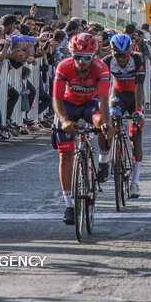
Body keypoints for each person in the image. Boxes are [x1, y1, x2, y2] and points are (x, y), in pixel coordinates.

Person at [52, 33, 114, 225]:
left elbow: (104, 100)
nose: (81, 62)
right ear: (71, 55)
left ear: (94, 56)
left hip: (91, 105)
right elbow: (57, 98)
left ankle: (104, 160)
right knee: (65, 155)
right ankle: (69, 205)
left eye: (86, 58)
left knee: (103, 123)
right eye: (77, 57)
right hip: (68, 106)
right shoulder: (64, 66)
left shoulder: (101, 68)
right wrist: (63, 121)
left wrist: (106, 124)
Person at [102, 34, 146, 197]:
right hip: (118, 95)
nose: (121, 59)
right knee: (109, 121)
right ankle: (105, 160)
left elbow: (139, 85)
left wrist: (139, 109)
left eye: (124, 55)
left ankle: (135, 182)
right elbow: (102, 88)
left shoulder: (138, 59)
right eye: (117, 55)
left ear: (130, 51)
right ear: (112, 53)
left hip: (135, 97)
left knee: (136, 139)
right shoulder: (107, 62)